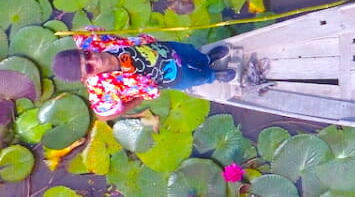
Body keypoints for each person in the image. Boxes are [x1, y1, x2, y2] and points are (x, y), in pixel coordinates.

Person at [52, 31, 234, 119]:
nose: (95, 60)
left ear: (82, 50)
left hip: (161, 49)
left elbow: (80, 34)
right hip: (168, 76)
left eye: (87, 55)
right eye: (89, 68)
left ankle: (206, 58)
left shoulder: (90, 40)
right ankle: (212, 75)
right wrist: (137, 101)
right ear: (85, 78)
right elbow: (103, 115)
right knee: (194, 78)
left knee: (189, 52)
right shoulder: (101, 92)